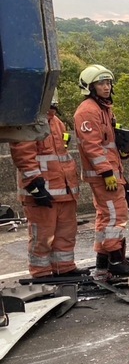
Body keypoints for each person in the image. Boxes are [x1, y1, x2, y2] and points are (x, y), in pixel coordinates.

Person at [74, 65, 129, 280]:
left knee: (105, 218)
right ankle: (116, 261)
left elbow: (107, 144)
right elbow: (91, 146)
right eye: (101, 83)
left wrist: (122, 153)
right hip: (105, 177)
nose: (106, 86)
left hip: (112, 172)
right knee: (116, 216)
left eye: (108, 82)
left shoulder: (104, 109)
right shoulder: (87, 111)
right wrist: (106, 172)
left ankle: (103, 262)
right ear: (90, 87)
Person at [9, 92, 86, 278]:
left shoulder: (57, 123)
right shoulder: (28, 124)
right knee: (42, 236)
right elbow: (23, 156)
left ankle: (64, 267)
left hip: (64, 192)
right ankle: (41, 273)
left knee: (66, 233)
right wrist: (35, 186)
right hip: (42, 192)